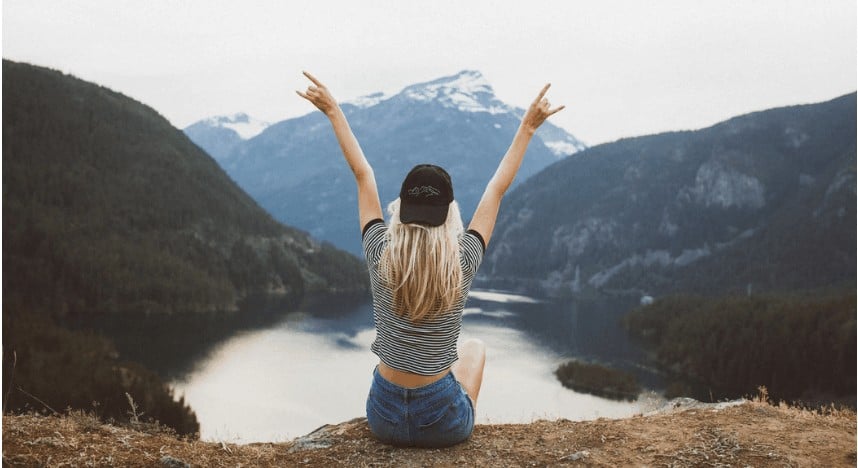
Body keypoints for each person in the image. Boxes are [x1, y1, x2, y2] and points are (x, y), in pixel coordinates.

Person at [297, 71, 563, 447]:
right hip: (443, 424)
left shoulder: (380, 251)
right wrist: (528, 128)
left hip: (383, 416)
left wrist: (334, 111)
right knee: (474, 349)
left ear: (401, 210)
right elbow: (497, 189)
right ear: (449, 214)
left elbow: (363, 174)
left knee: (433, 362)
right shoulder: (462, 261)